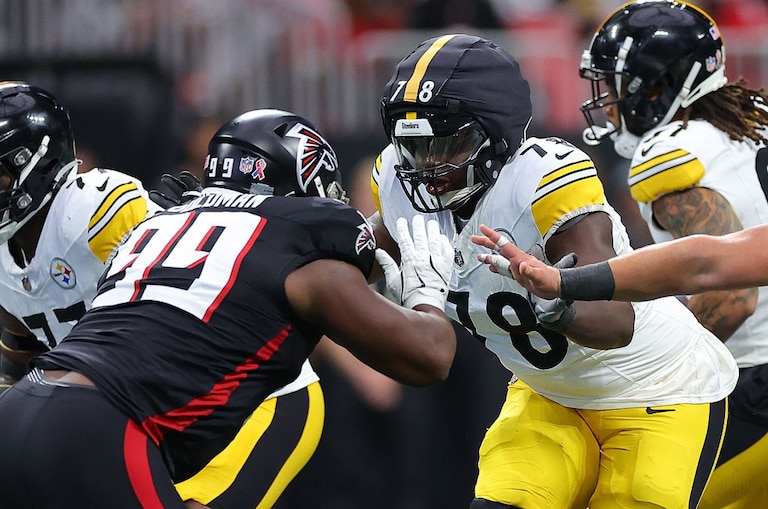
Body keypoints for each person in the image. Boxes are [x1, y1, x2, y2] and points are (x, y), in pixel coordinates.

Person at [0, 107, 457, 508]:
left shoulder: (159, 223)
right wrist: (427, 290)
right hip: (103, 429)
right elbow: (429, 357)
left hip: (21, 408)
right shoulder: (299, 250)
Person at [370, 33, 738, 508]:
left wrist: (556, 301)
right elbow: (350, 256)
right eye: (414, 146)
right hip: (550, 393)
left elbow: (616, 322)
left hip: (660, 387)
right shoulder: (398, 186)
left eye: (447, 144)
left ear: (495, 134)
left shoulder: (541, 179)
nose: (428, 166)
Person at [574, 1, 768, 506]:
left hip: (752, 382)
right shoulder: (756, 118)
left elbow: (732, 300)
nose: (607, 106)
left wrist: (650, 373)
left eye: (615, 90)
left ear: (655, 88)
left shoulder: (670, 155)